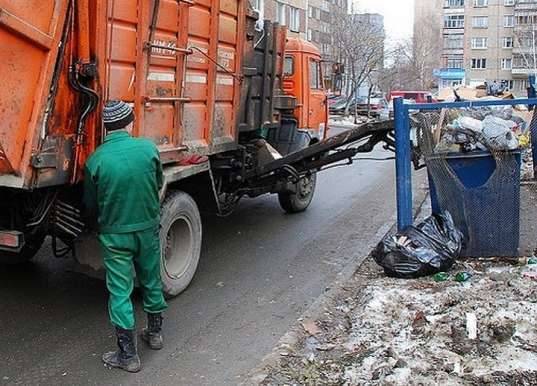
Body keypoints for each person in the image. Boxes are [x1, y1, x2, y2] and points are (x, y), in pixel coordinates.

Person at [84, 100, 168, 373]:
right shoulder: (147, 148)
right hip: (146, 229)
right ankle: (155, 335)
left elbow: (90, 204)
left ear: (106, 127)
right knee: (151, 278)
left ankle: (128, 356)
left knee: (120, 291)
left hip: (115, 235)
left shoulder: (96, 159)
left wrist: (99, 225)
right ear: (129, 123)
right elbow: (157, 183)